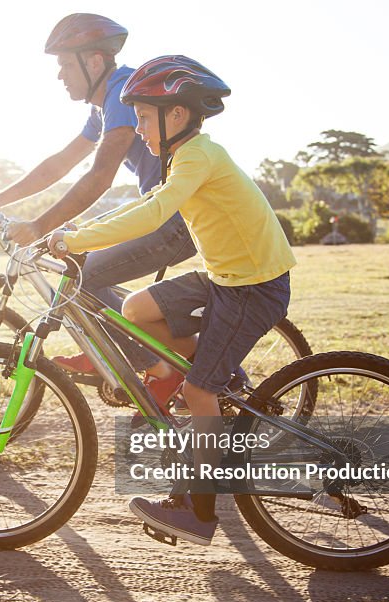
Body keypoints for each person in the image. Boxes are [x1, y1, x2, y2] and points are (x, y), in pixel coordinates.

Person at [46, 55, 297, 546]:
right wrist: (80, 231)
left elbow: (158, 211)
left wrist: (79, 242)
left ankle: (199, 512)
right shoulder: (184, 157)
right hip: (226, 278)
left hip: (253, 286)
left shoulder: (199, 155)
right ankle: (201, 372)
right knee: (135, 309)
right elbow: (146, 203)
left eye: (142, 116)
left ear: (175, 115)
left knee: (200, 394)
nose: (137, 127)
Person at [0, 14, 196, 383]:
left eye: (65, 64)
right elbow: (60, 164)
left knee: (84, 278)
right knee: (80, 261)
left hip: (176, 221)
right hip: (159, 212)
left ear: (94, 62)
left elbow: (101, 175)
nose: (59, 75)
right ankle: (128, 350)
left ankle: (156, 368)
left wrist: (41, 225)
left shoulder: (123, 92)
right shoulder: (104, 105)